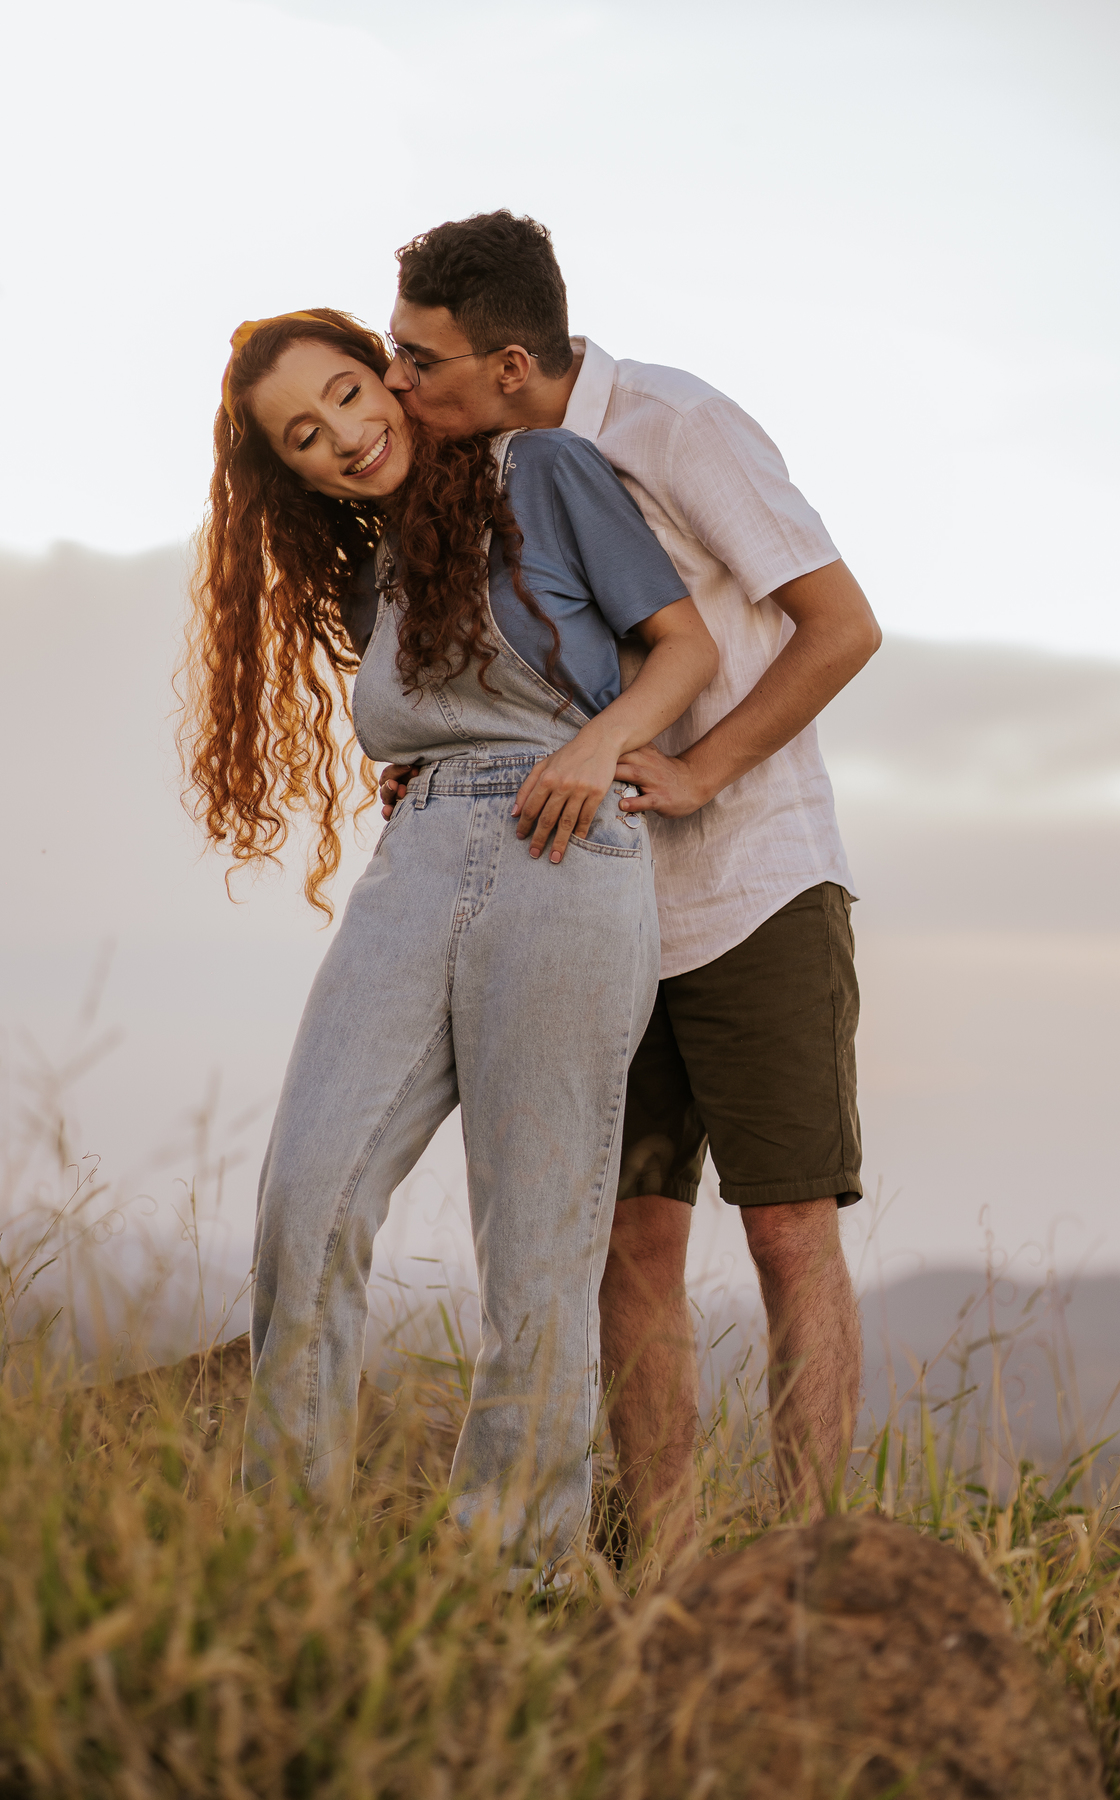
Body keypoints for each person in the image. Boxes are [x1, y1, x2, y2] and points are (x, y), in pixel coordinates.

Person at [180, 308, 717, 1580]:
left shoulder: (540, 470)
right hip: (415, 864)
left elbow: (681, 647)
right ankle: (284, 1559)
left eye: (352, 395)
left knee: (540, 1241)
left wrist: (597, 744)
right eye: (304, 437)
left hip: (560, 846)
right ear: (289, 470)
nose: (345, 438)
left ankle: (513, 1577)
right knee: (307, 1199)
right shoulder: (374, 566)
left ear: (390, 374)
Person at [376, 212, 882, 1553]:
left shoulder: (680, 427)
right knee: (632, 1247)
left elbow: (842, 626)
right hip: (591, 909)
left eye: (419, 358)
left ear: (511, 360)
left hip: (754, 890)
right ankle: (662, 1568)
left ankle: (810, 1564)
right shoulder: (473, 472)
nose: (398, 382)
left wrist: (704, 770)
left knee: (785, 1235)